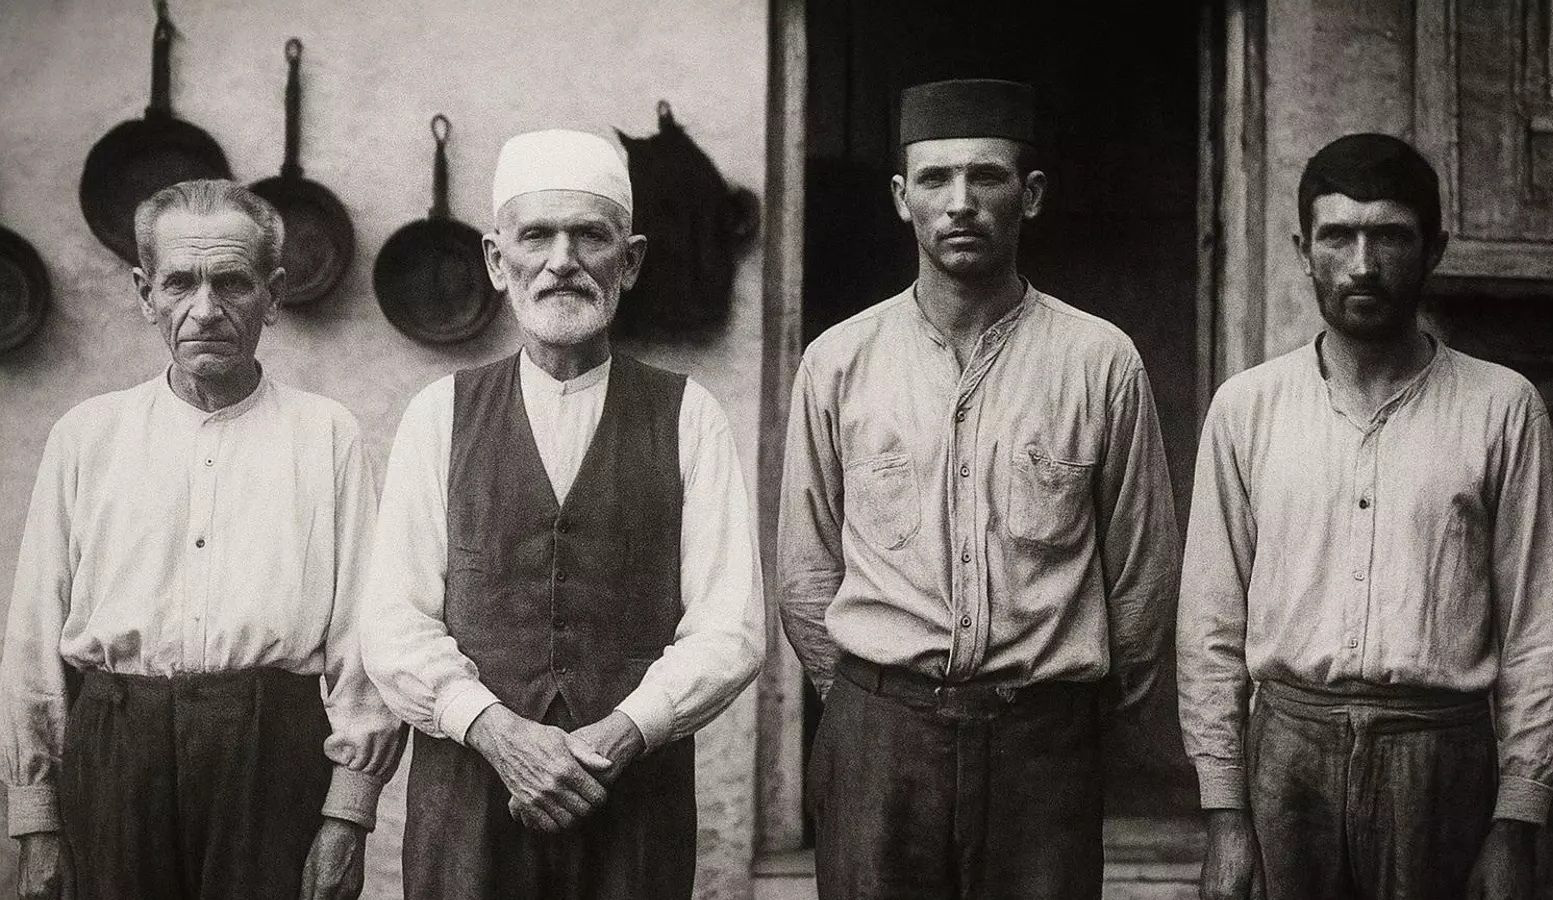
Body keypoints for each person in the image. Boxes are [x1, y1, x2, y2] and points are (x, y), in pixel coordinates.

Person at [777, 78, 1180, 899]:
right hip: (879, 741)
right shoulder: (838, 363)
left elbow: (1142, 577)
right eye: (934, 179)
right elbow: (805, 572)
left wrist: (1064, 719)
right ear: (902, 199)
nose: (959, 202)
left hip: (1043, 746)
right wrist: (873, 705)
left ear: (1029, 195)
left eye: (986, 177)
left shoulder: (1100, 362)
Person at [360, 129, 765, 900]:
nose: (561, 262)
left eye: (591, 236)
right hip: (471, 804)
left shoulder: (688, 416)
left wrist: (622, 733)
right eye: (536, 236)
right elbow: (392, 621)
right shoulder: (439, 413)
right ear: (494, 260)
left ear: (632, 260)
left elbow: (731, 627)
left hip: (630, 800)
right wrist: (497, 732)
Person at [1179, 132, 1553, 900]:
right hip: (1287, 761)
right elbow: (1209, 625)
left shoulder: (1502, 408)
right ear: (1304, 248)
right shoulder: (1247, 408)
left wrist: (1517, 820)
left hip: (1442, 762)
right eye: (1337, 235)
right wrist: (1226, 813)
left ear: (1434, 249)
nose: (1362, 264)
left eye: (1390, 235)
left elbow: (1539, 629)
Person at [0, 179, 406, 900]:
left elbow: (361, 640)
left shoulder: (326, 435)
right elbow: (32, 635)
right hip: (113, 756)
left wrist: (350, 810)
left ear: (274, 294)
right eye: (180, 283)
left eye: (233, 282)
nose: (205, 309)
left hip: (271, 758)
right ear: (143, 292)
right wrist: (34, 814)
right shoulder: (87, 436)